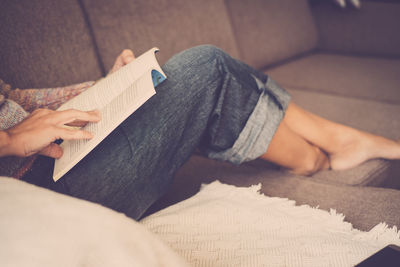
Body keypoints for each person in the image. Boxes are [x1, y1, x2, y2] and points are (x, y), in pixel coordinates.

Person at [1, 45, 399, 220]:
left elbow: (13, 99)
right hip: (37, 192)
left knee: (200, 79)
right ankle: (321, 152)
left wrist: (104, 84)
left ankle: (333, 146)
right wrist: (10, 140)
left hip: (55, 152)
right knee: (208, 67)